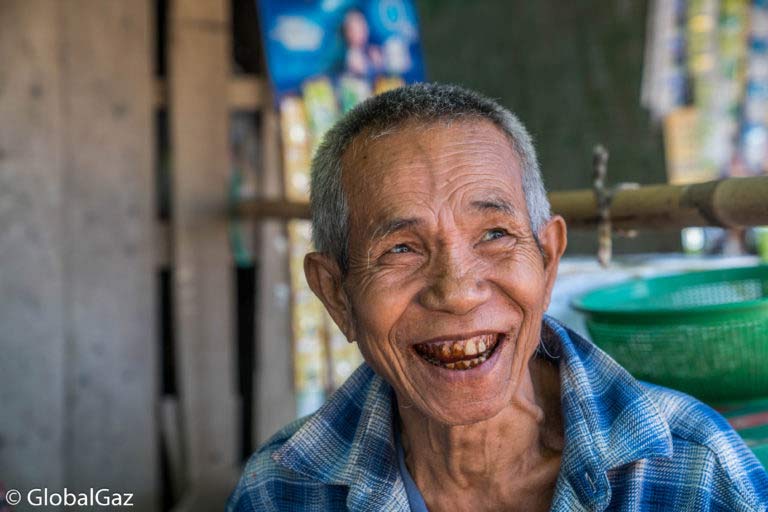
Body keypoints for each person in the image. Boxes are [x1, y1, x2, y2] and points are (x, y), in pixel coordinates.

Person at [227, 83, 768, 511]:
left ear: (549, 261)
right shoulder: (285, 490)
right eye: (400, 249)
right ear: (336, 295)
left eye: (494, 235)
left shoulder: (693, 472)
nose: (458, 292)